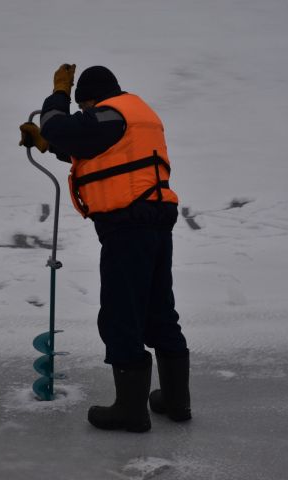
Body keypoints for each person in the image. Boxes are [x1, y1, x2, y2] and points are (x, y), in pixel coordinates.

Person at [19, 64, 190, 433]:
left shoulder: (111, 112)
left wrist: (58, 96)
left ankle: (130, 411)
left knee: (121, 315)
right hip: (155, 218)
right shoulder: (136, 113)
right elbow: (97, 149)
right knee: (159, 309)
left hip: (129, 226)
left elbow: (60, 126)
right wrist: (50, 146)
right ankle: (177, 402)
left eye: (84, 107)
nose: (84, 114)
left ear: (92, 98)